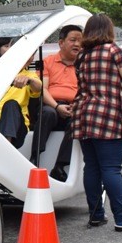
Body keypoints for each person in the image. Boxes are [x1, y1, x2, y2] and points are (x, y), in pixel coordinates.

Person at [71, 13, 122, 232]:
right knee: (111, 169)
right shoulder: (115, 51)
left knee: (92, 168)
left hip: (85, 115)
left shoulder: (83, 56)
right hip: (108, 116)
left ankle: (96, 216)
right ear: (109, 30)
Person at [31, 24, 83, 181]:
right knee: (48, 113)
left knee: (78, 119)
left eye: (80, 41)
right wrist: (57, 106)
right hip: (52, 106)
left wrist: (77, 106)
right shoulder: (48, 62)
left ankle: (60, 166)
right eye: (73, 40)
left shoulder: (83, 65)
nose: (77, 44)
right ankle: (35, 159)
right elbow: (43, 89)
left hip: (73, 108)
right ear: (61, 43)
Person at [0, 37, 42, 148]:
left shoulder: (29, 75)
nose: (28, 57)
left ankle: (7, 148)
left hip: (17, 129)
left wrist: (29, 81)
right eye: (25, 53)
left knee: (11, 104)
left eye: (32, 54)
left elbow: (38, 87)